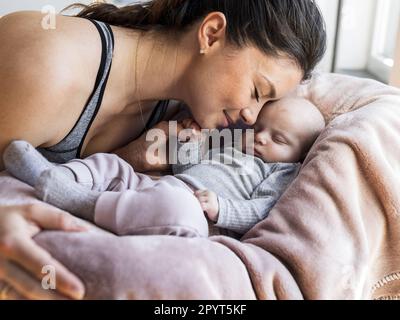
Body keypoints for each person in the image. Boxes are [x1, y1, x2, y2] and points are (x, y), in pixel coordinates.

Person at [0, 0, 326, 299]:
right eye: (257, 90)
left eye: (269, 103)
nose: (252, 117)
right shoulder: (47, 66)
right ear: (211, 34)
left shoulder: (181, 112)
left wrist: (132, 157)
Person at [3, 97, 325, 238]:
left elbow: (263, 210)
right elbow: (191, 164)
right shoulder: (230, 145)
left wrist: (221, 209)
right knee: (114, 165)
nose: (261, 138)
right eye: (259, 129)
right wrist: (185, 144)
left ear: (298, 156)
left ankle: (73, 199)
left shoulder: (279, 173)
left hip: (194, 214)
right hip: (165, 185)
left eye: (278, 138)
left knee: (175, 208)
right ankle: (54, 174)